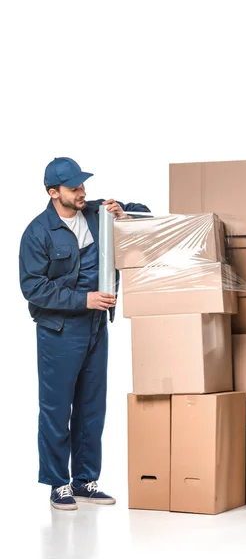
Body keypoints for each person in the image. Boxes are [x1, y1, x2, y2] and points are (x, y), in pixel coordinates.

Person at [19, 157, 150, 511]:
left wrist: (124, 213)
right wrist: (84, 298)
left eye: (83, 186)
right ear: (53, 192)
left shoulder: (97, 212)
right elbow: (34, 288)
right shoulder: (38, 232)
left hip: (95, 327)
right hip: (59, 331)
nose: (82, 192)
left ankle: (86, 481)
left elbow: (145, 215)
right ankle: (58, 484)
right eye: (74, 188)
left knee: (92, 408)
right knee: (57, 409)